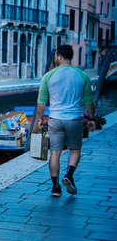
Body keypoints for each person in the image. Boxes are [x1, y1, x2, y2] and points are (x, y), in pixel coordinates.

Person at [33, 45, 95, 197]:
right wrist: (91, 119)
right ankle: (69, 175)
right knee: (75, 150)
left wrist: (39, 120)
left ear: (58, 57)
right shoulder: (82, 75)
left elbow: (41, 103)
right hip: (74, 119)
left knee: (55, 153)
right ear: (71, 57)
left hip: (55, 119)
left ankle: (55, 187)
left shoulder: (48, 76)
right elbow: (89, 102)